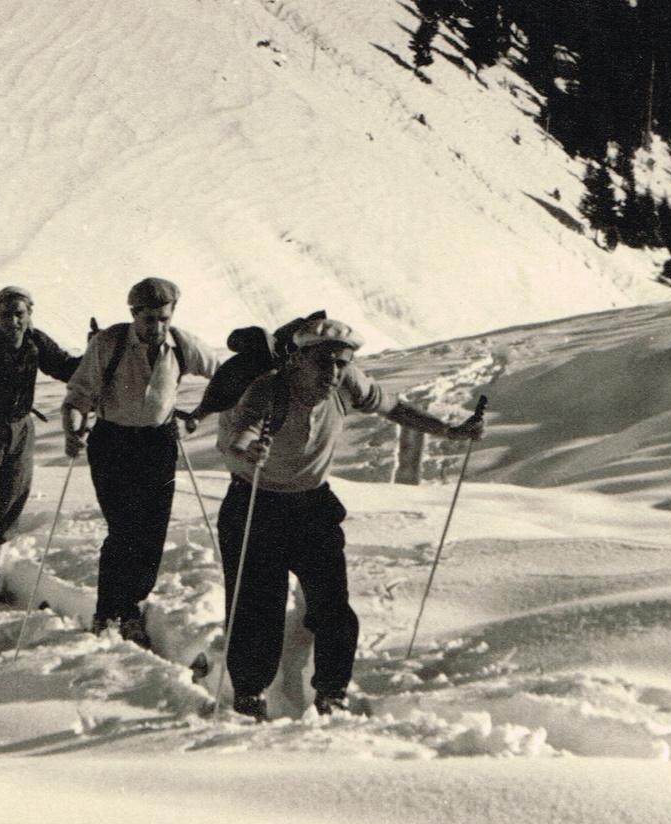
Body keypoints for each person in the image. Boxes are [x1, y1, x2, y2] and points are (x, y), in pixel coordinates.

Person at [217, 318, 484, 721]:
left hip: (312, 506)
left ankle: (332, 693)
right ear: (299, 359)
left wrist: (448, 432)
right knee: (258, 609)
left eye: (342, 363)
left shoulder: (346, 383)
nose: (333, 372)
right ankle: (249, 695)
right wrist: (248, 452)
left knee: (333, 608)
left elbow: (394, 408)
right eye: (324, 362)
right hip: (256, 505)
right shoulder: (268, 389)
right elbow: (242, 432)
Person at [61, 277, 220, 647]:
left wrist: (198, 415)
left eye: (164, 318)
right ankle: (109, 612)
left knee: (152, 532)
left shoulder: (181, 344)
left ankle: (131, 605)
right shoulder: (109, 343)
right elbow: (79, 394)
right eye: (150, 319)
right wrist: (73, 430)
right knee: (124, 529)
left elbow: (225, 376)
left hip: (158, 444)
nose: (157, 327)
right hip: (113, 443)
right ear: (134, 314)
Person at [0, 286, 81, 601]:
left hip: (20, 432)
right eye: (5, 315)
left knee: (10, 506)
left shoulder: (35, 342)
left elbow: (65, 368)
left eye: (19, 314)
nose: (13, 321)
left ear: (29, 314)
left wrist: (96, 356)